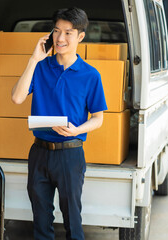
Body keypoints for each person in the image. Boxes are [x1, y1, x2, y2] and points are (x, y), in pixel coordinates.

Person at [11, 7, 108, 240]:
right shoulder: (41, 66)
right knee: (41, 220)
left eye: (68, 33)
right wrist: (34, 59)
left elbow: (98, 118)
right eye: (56, 31)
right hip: (39, 152)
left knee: (72, 220)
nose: (60, 38)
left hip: (70, 154)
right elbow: (16, 98)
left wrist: (77, 129)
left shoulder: (90, 75)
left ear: (80, 37)